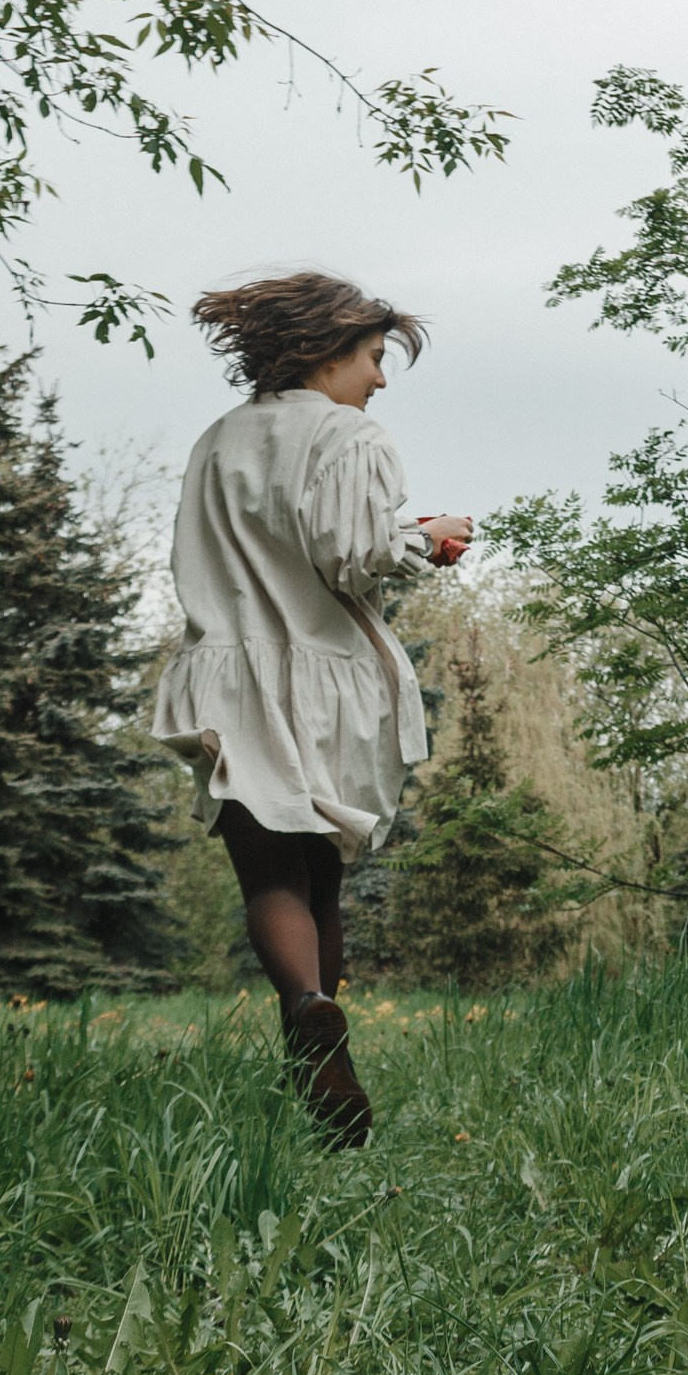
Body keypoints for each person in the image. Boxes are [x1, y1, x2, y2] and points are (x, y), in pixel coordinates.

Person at [154, 272, 472, 1143]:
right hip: (326, 678)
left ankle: (304, 1009)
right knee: (322, 877)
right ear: (327, 351)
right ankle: (322, 1048)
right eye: (373, 357)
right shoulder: (348, 437)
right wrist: (431, 533)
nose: (378, 378)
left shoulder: (218, 441)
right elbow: (356, 556)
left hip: (227, 675)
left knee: (269, 876)